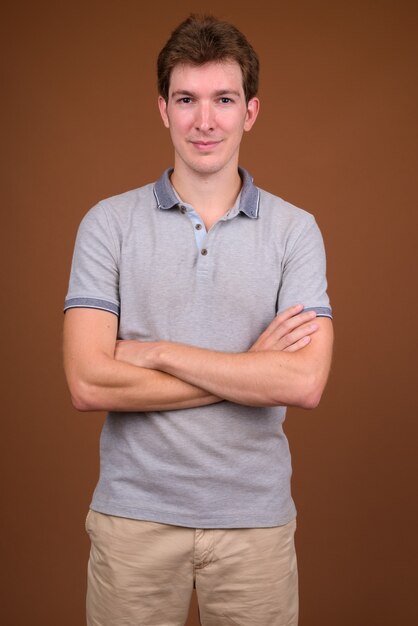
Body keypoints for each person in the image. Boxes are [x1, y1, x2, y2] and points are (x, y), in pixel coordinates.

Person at [63, 13, 333, 626]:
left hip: (254, 526)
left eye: (223, 100)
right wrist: (249, 370)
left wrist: (155, 351)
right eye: (186, 99)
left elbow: (303, 383)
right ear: (163, 109)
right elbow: (87, 383)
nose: (204, 121)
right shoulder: (107, 224)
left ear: (251, 112)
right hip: (133, 521)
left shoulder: (296, 231)